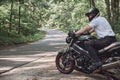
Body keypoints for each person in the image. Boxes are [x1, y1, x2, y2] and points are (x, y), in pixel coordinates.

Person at [75, 7, 117, 72]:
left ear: (94, 14)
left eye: (90, 14)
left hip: (106, 39)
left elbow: (85, 28)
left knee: (87, 43)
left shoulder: (96, 20)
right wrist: (89, 32)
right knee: (95, 43)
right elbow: (95, 28)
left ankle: (96, 62)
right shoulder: (102, 19)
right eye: (89, 15)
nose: (89, 16)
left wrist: (75, 33)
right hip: (112, 39)